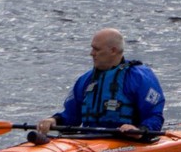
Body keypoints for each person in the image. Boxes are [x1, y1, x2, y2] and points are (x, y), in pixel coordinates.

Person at [36, 28, 164, 138]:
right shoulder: (86, 80)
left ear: (113, 51)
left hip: (127, 141)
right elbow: (71, 116)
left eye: (96, 49)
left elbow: (155, 116)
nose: (91, 53)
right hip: (89, 142)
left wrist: (139, 130)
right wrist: (53, 120)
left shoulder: (139, 77)